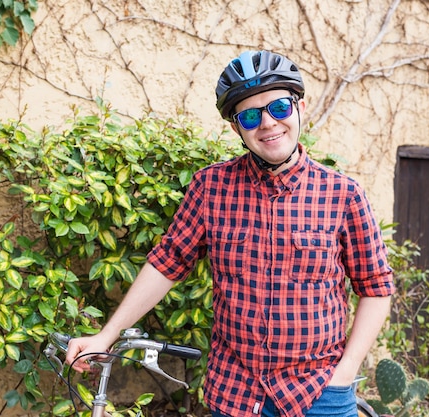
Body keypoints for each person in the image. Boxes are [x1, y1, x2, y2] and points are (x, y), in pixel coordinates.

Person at [66, 50, 395, 417]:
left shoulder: (343, 194)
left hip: (319, 394)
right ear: (237, 127)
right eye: (250, 116)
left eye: (279, 108)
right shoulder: (211, 187)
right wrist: (105, 336)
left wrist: (344, 372)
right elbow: (167, 263)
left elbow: (376, 287)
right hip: (237, 395)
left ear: (300, 107)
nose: (268, 123)